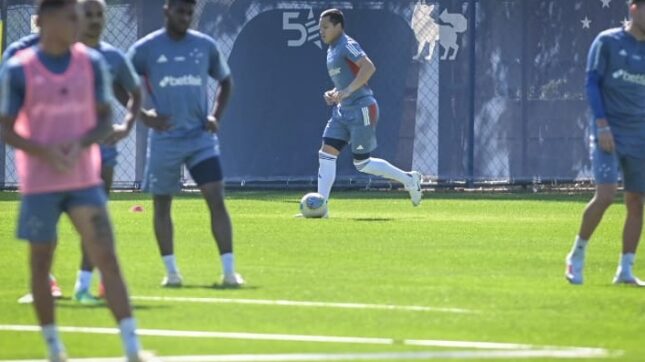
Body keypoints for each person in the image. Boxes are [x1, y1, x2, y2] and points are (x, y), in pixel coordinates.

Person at [0, 0, 148, 360]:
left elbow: (102, 119)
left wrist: (81, 143)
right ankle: (54, 349)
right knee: (39, 264)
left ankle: (133, 348)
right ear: (47, 19)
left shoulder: (92, 63)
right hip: (40, 184)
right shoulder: (20, 69)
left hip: (84, 181)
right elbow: (6, 126)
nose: (80, 24)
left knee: (107, 257)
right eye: (72, 17)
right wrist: (44, 150)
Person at [128, 0, 243, 287]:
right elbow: (120, 80)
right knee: (162, 205)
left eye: (190, 12)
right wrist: (142, 114)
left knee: (216, 199)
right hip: (164, 139)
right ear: (167, 10)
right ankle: (172, 273)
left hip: (199, 139)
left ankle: (229, 272)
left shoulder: (204, 45)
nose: (186, 16)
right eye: (180, 11)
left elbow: (226, 81)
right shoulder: (147, 47)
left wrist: (215, 116)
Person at [565, 0, 645, 286]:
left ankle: (625, 270)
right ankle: (577, 255)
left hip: (640, 136)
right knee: (607, 195)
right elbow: (591, 83)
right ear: (634, 9)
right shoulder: (607, 41)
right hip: (608, 132)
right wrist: (601, 125)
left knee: (636, 202)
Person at [316, 9, 423, 216]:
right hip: (342, 111)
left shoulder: (347, 44)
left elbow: (368, 67)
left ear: (338, 26)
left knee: (362, 163)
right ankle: (321, 208)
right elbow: (347, 80)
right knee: (326, 153)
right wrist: (335, 93)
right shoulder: (331, 50)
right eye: (320, 28)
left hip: (362, 108)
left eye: (325, 27)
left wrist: (346, 92)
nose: (321, 31)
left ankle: (409, 179)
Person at [71, 0, 142, 303]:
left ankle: (83, 285)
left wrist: (126, 126)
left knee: (96, 218)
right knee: (54, 216)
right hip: (64, 150)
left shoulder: (113, 56)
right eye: (88, 14)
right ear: (76, 17)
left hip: (104, 149)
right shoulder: (60, 54)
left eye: (100, 14)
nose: (95, 19)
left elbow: (134, 93)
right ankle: (44, 280)